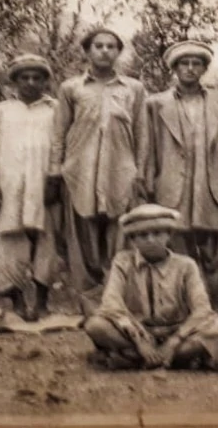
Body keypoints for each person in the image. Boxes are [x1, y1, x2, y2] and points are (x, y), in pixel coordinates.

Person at [49, 28, 149, 306]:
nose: (104, 51)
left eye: (110, 46)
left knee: (121, 238)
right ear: (87, 51)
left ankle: (119, 302)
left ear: (118, 52)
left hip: (121, 171)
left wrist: (140, 172)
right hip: (81, 171)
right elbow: (60, 132)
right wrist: (56, 170)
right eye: (98, 46)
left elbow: (142, 133)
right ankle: (89, 305)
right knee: (84, 240)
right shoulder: (71, 88)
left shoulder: (134, 88)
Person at [83, 204, 218, 371]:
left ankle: (137, 357)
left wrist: (174, 341)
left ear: (169, 235)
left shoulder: (186, 265)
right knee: (95, 325)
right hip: (137, 332)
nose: (150, 239)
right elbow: (111, 304)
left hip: (178, 332)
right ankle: (170, 359)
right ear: (133, 240)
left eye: (157, 233)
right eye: (142, 235)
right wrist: (139, 339)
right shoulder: (122, 262)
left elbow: (202, 310)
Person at [145, 41, 218, 311]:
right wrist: (150, 182)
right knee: (177, 243)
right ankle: (184, 303)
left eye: (196, 64)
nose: (189, 69)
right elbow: (148, 148)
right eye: (183, 64)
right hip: (174, 185)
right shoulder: (156, 103)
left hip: (212, 183)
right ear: (174, 68)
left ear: (204, 68)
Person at [0, 54, 62, 321]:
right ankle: (17, 300)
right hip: (10, 182)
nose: (30, 83)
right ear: (15, 81)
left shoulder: (56, 110)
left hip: (44, 181)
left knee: (46, 239)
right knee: (9, 238)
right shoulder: (0, 111)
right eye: (24, 78)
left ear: (45, 81)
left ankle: (41, 301)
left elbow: (59, 145)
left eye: (37, 78)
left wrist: (55, 178)